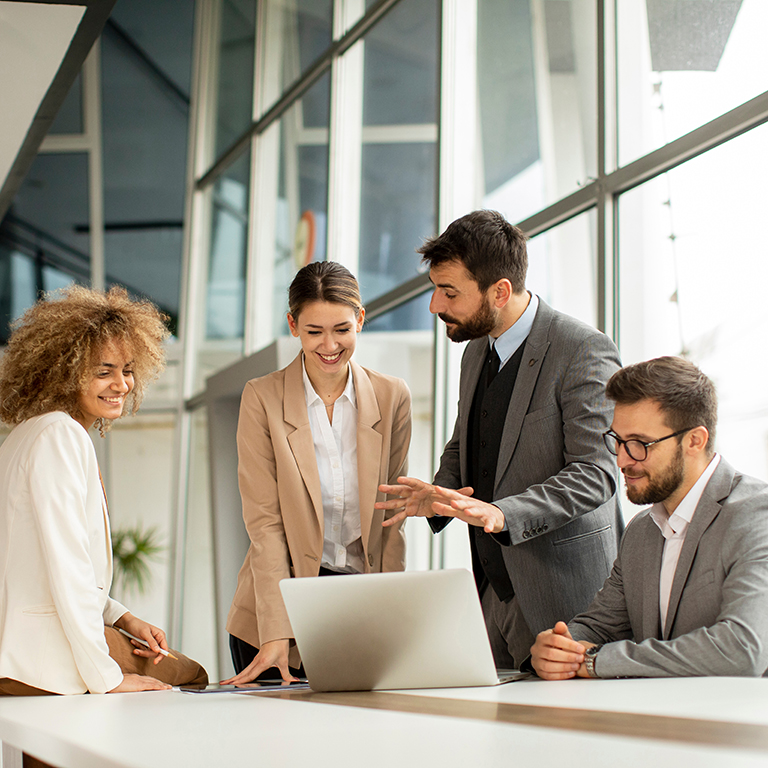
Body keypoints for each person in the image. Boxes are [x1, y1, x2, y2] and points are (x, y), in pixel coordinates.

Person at [377, 210, 623, 668]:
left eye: (449, 292)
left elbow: (597, 474)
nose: (435, 305)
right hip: (492, 590)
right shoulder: (475, 351)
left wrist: (501, 513)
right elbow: (466, 439)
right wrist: (438, 493)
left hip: (566, 597)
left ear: (500, 291)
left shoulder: (582, 349)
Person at [0, 285, 207, 695]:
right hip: (46, 656)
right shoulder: (59, 435)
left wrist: (123, 617)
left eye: (127, 369)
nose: (121, 384)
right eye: (103, 371)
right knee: (191, 673)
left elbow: (41, 564)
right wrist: (107, 678)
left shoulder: (28, 435)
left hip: (20, 656)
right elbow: (67, 565)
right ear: (65, 370)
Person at [224, 261, 411, 684]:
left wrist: (394, 618)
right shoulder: (262, 398)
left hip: (358, 607)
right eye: (314, 332)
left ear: (360, 319)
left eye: (342, 329)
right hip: (277, 611)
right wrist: (276, 631)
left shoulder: (392, 396)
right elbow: (265, 524)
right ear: (293, 325)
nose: (330, 345)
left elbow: (392, 518)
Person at [531, 357, 768, 679]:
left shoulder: (757, 516)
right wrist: (559, 647)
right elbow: (601, 624)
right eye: (618, 441)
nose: (623, 460)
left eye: (640, 444)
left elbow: (742, 650)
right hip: (656, 719)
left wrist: (595, 661)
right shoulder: (642, 530)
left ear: (694, 441)